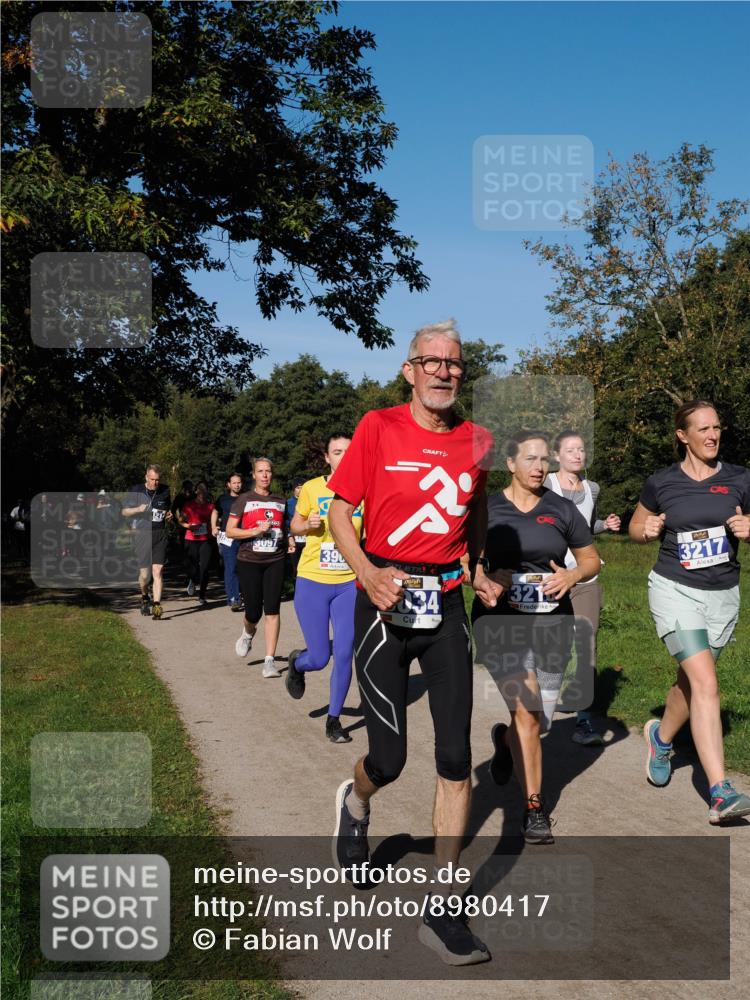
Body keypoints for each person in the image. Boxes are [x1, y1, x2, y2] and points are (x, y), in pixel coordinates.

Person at [328, 320, 495, 966]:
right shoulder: (377, 427)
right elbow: (341, 509)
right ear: (410, 370)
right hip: (384, 601)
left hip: (446, 603)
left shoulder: (477, 440)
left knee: (456, 756)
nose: (444, 372)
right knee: (389, 760)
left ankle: (444, 907)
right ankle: (356, 800)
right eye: (432, 361)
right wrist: (366, 574)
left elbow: (476, 507)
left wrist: (479, 565)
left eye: (454, 362)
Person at [472, 431, 601, 844]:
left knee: (538, 718)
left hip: (552, 622)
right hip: (500, 621)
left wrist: (572, 574)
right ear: (510, 464)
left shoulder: (561, 508)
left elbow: (590, 557)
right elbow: (459, 552)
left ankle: (505, 743)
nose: (539, 467)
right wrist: (478, 578)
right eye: (530, 459)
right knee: (528, 711)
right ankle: (535, 807)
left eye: (544, 459)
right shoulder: (487, 508)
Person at [629, 400, 750, 824]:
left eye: (717, 427)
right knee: (707, 682)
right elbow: (635, 527)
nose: (712, 435)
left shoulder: (740, 478)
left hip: (723, 596)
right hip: (673, 590)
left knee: (692, 684)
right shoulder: (661, 482)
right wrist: (645, 532)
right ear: (683, 435)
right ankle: (720, 793)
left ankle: (661, 739)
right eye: (703, 429)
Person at [546, 430, 621, 745]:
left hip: (585, 577)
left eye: (581, 449)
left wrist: (605, 525)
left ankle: (584, 722)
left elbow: (584, 528)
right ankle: (539, 715)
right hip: (549, 577)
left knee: (586, 648)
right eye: (571, 450)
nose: (577, 454)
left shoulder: (592, 488)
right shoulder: (545, 483)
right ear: (557, 455)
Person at [286, 433, 362, 744]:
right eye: (337, 451)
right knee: (319, 657)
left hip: (348, 583)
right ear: (327, 458)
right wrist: (307, 526)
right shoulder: (313, 489)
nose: (344, 456)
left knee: (344, 653)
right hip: (313, 581)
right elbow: (294, 525)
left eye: (349, 451)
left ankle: (334, 719)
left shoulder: (364, 491)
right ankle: (297, 663)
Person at [226, 457, 288, 678]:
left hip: (275, 560)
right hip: (249, 560)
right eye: (260, 471)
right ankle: (247, 633)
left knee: (272, 610)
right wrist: (254, 532)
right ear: (253, 475)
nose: (265, 475)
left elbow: (284, 528)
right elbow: (230, 531)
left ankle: (270, 661)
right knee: (253, 611)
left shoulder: (281, 501)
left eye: (268, 471)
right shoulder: (244, 500)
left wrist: (287, 540)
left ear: (272, 474)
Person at [121, 465, 172, 619]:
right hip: (142, 535)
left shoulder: (165, 490)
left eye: (157, 480)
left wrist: (168, 516)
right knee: (144, 575)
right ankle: (144, 596)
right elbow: (124, 511)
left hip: (159, 534)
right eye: (152, 479)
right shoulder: (136, 490)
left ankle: (157, 605)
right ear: (146, 477)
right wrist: (137, 509)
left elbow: (166, 510)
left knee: (157, 571)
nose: (155, 483)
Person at [177, 481, 215, 606]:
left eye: (205, 491)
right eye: (200, 490)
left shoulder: (210, 506)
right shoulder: (189, 505)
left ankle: (202, 595)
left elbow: (214, 521)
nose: (202, 493)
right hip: (191, 539)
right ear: (196, 492)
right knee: (191, 566)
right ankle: (192, 580)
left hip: (206, 540)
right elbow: (181, 520)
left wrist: (214, 527)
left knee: (205, 568)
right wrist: (189, 526)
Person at [211, 472, 244, 610]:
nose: (237, 485)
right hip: (228, 537)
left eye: (239, 482)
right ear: (229, 485)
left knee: (244, 567)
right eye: (234, 483)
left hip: (244, 536)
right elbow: (215, 512)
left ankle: (243, 594)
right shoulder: (223, 499)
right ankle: (233, 598)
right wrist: (213, 527)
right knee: (231, 567)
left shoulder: (246, 498)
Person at [286, 477, 307, 577]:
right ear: (294, 489)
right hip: (294, 541)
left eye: (303, 488)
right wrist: (289, 537)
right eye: (298, 488)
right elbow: (286, 522)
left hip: (308, 540)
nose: (300, 490)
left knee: (307, 569)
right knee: (295, 569)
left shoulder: (310, 502)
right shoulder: (288, 503)